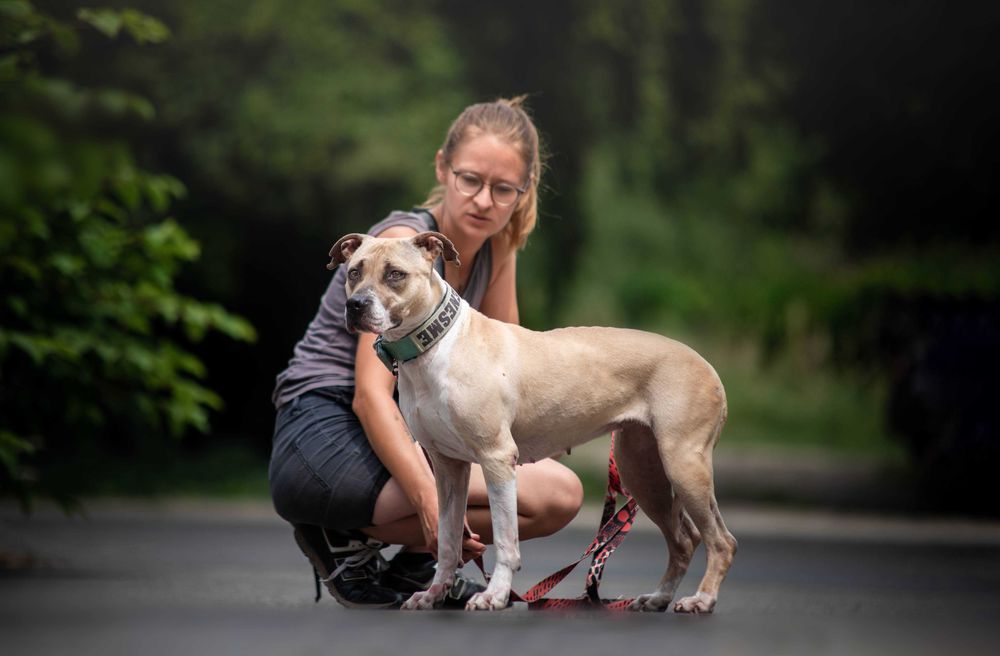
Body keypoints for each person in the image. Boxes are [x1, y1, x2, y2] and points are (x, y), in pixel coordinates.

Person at [269, 97, 584, 609]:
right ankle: (345, 537)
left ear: (523, 191)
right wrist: (430, 503)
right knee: (510, 491)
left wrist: (559, 419)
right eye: (470, 180)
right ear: (443, 168)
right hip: (325, 425)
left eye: (502, 188)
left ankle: (416, 563)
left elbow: (509, 371)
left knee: (558, 494)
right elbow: (372, 397)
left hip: (412, 420)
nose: (484, 199)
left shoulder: (497, 249)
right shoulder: (395, 248)